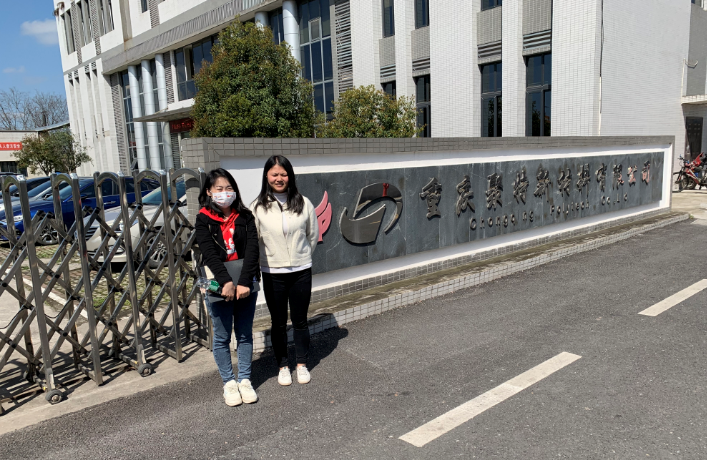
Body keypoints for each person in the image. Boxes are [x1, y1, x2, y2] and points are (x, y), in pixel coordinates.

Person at [251, 155, 319, 386]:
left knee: (300, 320)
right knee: (278, 322)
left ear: (290, 176)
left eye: (284, 174)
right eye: (274, 174)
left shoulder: (304, 203)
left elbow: (312, 235)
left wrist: (301, 256)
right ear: (267, 176)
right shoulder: (257, 207)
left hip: (301, 270)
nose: (279, 178)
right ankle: (282, 365)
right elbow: (254, 241)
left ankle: (301, 363)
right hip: (273, 272)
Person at [195, 168, 260, 406]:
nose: (225, 193)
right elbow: (208, 253)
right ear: (209, 192)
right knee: (222, 337)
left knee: (244, 334)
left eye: (229, 188)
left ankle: (245, 379)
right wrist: (226, 282)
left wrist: (243, 282)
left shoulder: (245, 216)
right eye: (219, 189)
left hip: (244, 283)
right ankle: (229, 383)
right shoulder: (203, 218)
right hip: (219, 285)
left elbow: (253, 249)